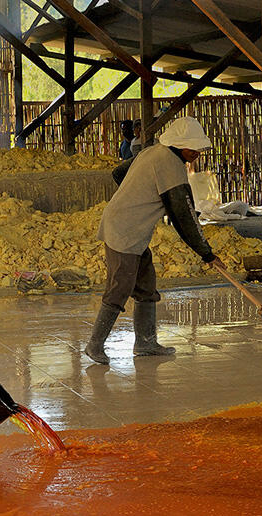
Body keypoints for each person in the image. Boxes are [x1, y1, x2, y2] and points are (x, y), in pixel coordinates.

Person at [86, 116, 218, 365]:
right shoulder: (170, 165)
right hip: (124, 229)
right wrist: (207, 253)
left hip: (132, 228)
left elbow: (119, 172)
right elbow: (184, 218)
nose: (197, 154)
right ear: (179, 145)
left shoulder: (153, 152)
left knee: (145, 285)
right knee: (120, 286)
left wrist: (141, 193)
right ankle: (94, 345)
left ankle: (145, 343)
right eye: (193, 149)